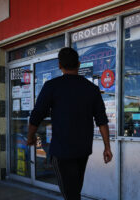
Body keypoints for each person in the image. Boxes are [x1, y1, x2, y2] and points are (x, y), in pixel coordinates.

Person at [27, 47, 113, 200]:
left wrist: (30, 136)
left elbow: (37, 114)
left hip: (61, 151)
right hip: (83, 150)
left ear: (60, 65)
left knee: (70, 194)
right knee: (74, 191)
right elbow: (102, 120)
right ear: (79, 64)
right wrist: (107, 147)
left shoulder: (52, 86)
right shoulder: (92, 89)